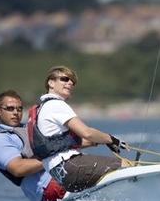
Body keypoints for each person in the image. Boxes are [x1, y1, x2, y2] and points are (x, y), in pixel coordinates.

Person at [30, 65, 129, 193]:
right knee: (126, 166)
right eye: (65, 79)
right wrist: (112, 139)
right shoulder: (56, 104)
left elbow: (69, 142)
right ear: (51, 83)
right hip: (70, 166)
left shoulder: (43, 108)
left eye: (72, 81)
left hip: (61, 175)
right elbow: (86, 133)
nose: (70, 83)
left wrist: (103, 141)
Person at [0, 90, 66, 201]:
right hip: (47, 186)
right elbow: (18, 169)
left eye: (19, 109)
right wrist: (54, 155)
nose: (15, 112)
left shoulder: (27, 129)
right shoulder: (0, 140)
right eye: (10, 108)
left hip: (59, 175)